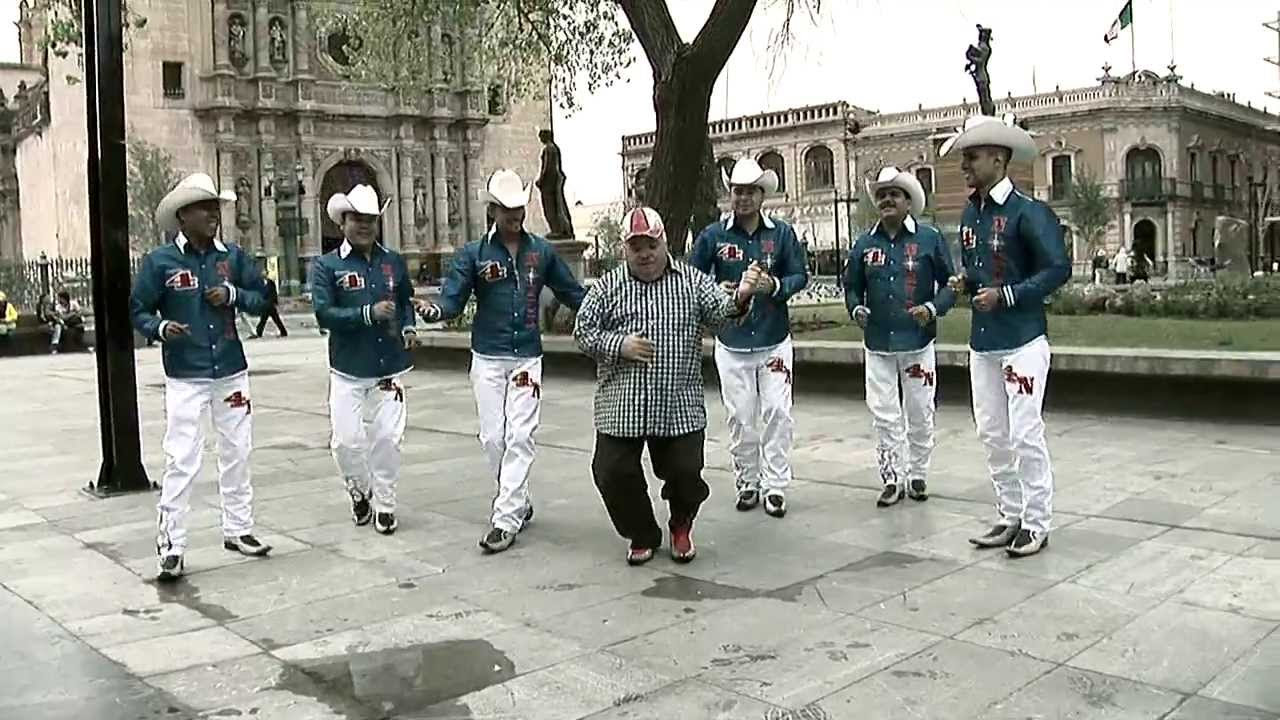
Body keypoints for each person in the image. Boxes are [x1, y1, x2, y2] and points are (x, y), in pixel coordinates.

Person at [574, 207, 760, 565]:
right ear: (624, 249)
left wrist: (742, 296)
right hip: (622, 402)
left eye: (651, 245)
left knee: (686, 473)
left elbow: (722, 315)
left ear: (664, 243)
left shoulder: (691, 282)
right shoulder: (607, 288)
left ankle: (681, 523)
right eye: (636, 247)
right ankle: (642, 532)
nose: (645, 254)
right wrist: (619, 345)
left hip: (677, 401)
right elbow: (583, 332)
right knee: (610, 472)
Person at [415, 169, 586, 554]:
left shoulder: (541, 252)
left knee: (520, 436)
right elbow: (452, 300)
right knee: (493, 438)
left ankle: (505, 518)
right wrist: (434, 311)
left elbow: (573, 292)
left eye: (519, 208)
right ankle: (518, 498)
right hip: (488, 358)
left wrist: (610, 310)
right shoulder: (472, 254)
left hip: (527, 358)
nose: (515, 215)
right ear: (492, 210)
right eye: (507, 209)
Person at [940, 115, 1072, 557]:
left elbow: (1057, 268)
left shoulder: (1029, 212)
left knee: (1025, 433)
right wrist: (966, 282)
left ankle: (1036, 522)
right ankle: (1009, 513)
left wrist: (1008, 295)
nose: (965, 166)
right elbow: (982, 269)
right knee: (992, 432)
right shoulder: (970, 214)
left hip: (1023, 340)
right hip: (984, 343)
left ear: (998, 159)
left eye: (972, 157)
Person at [129, 173, 272, 581]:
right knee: (182, 458)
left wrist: (233, 295)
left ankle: (239, 528)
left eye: (215, 208)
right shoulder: (160, 262)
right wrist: (159, 328)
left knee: (237, 450)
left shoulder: (233, 258)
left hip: (230, 369)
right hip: (186, 374)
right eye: (204, 208)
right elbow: (138, 308)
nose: (213, 215)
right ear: (182, 215)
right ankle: (171, 545)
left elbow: (263, 299)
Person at [688, 157, 810, 518]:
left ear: (762, 195)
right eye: (737, 191)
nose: (743, 198)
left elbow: (800, 275)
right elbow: (692, 278)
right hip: (732, 341)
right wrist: (718, 291)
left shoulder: (781, 234)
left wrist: (774, 285)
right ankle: (747, 482)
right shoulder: (713, 236)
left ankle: (775, 485)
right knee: (740, 417)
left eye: (750, 192)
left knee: (777, 412)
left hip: (774, 339)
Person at [845, 167, 957, 508]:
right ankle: (891, 477)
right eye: (881, 195)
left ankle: (918, 473)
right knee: (884, 414)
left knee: (920, 410)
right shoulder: (864, 244)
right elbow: (851, 286)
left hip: (918, 342)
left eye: (894, 194)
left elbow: (950, 285)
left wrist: (932, 308)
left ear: (909, 202)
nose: (886, 200)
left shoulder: (929, 239)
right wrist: (855, 308)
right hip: (878, 343)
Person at [310, 184, 416, 535]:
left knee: (388, 439)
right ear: (342, 222)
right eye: (357, 219)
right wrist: (367, 313)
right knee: (346, 442)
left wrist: (409, 326)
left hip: (389, 366)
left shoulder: (392, 262)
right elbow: (324, 313)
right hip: (348, 368)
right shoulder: (327, 266)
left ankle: (385, 504)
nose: (365, 225)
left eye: (370, 219)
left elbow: (405, 300)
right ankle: (359, 491)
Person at [254, 273, 288, 338]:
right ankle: (283, 332)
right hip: (265, 304)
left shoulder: (270, 282)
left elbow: (274, 292)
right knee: (265, 319)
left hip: (270, 304)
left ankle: (259, 332)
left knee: (271, 319)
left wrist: (275, 302)